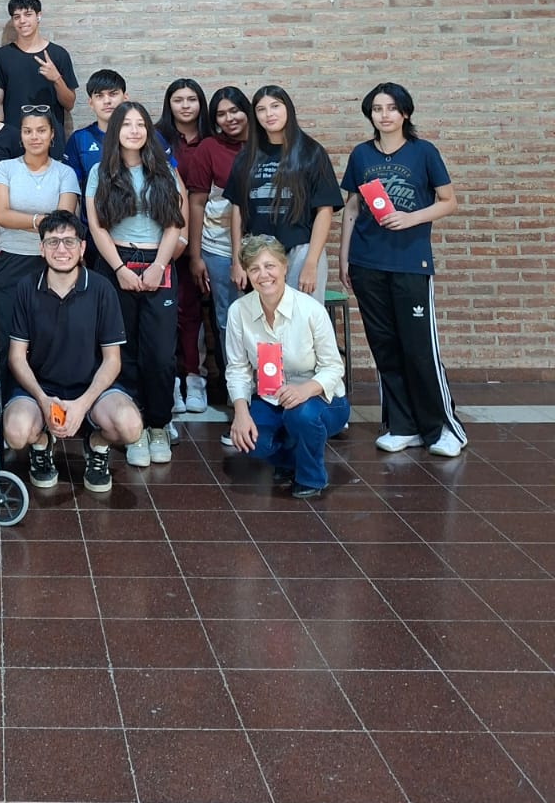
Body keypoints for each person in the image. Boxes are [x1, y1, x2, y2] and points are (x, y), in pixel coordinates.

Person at [339, 82, 465, 457]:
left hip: (410, 263)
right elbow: (352, 208)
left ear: (405, 113)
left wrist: (411, 218)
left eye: (392, 107)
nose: (384, 114)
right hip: (366, 264)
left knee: (419, 348)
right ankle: (402, 425)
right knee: (385, 348)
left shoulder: (424, 152)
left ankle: (442, 427)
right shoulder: (361, 155)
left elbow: (448, 202)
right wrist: (345, 258)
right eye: (377, 108)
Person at [3, 211, 144, 495]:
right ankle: (42, 444)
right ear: (41, 249)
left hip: (91, 387)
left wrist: (82, 405)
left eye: (69, 241)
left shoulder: (102, 288)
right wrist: (43, 400)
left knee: (130, 427)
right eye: (52, 242)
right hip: (39, 387)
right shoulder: (26, 288)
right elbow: (16, 357)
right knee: (16, 433)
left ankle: (97, 445)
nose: (61, 249)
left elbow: (112, 361)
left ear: (82, 248)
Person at [86, 101, 187, 467]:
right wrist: (119, 269)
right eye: (126, 124)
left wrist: (160, 265)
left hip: (158, 264)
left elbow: (175, 221)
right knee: (122, 352)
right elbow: (96, 226)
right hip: (116, 265)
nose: (134, 130)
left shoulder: (164, 170)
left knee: (159, 354)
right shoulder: (100, 173)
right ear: (116, 131)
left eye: (140, 124)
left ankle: (159, 423)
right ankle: (135, 428)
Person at [225, 234, 350, 498]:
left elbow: (334, 367)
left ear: (284, 267)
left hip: (322, 399)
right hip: (271, 397)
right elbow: (237, 368)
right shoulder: (239, 311)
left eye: (270, 266)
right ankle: (290, 459)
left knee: (300, 415)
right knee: (252, 441)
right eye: (255, 268)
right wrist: (240, 411)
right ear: (247, 273)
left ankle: (312, 477)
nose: (263, 275)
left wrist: (305, 390)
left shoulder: (310, 310)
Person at [225, 85, 343, 303]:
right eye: (261, 109)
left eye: (275, 106)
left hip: (301, 249)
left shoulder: (312, 152)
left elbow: (324, 211)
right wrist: (237, 261)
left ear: (288, 108)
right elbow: (237, 210)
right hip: (258, 253)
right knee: (263, 323)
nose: (269, 114)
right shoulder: (246, 156)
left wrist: (311, 262)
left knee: (302, 322)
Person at [0, 109, 80, 343]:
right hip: (10, 258)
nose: (34, 137)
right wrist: (40, 221)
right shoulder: (4, 168)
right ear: (20, 136)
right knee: (9, 335)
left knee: (48, 334)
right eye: (27, 131)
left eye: (41, 131)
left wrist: (24, 219)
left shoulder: (65, 173)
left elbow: (63, 221)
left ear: (52, 135)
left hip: (52, 261)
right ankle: (10, 381)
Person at [183, 86, 254, 374]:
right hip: (219, 248)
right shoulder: (209, 148)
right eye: (221, 114)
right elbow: (196, 203)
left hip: (265, 249)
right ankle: (235, 386)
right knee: (228, 319)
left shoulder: (267, 145)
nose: (229, 119)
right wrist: (195, 255)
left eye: (234, 110)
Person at [154, 78, 212, 415]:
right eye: (179, 99)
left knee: (191, 312)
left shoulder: (210, 140)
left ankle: (195, 377)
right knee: (166, 312)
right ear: (169, 103)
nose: (186, 105)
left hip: (202, 236)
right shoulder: (158, 137)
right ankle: (171, 381)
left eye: (192, 99)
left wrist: (193, 248)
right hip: (163, 236)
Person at [0, 0, 78, 159]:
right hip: (14, 141)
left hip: (50, 142)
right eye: (16, 17)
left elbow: (69, 104)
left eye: (28, 14)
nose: (22, 21)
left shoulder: (58, 54)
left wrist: (56, 78)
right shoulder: (1, 56)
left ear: (39, 16)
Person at [65, 69, 128, 196]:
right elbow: (70, 187)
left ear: (125, 98)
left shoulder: (142, 135)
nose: (107, 101)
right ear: (91, 103)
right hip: (92, 214)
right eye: (99, 96)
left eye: (113, 94)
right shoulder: (79, 139)